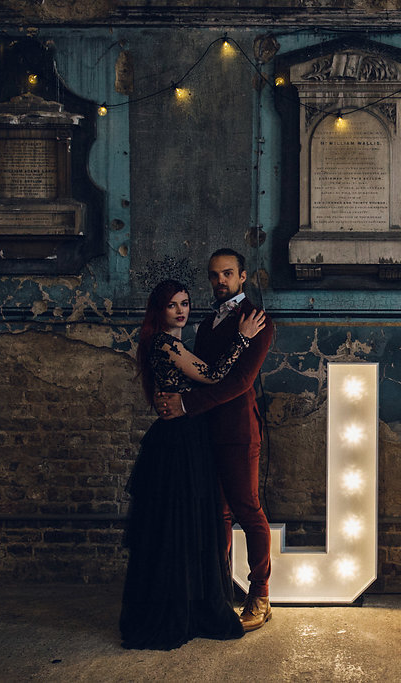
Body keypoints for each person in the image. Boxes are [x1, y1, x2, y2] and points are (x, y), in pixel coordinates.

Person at [120, 278, 267, 650]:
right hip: (179, 441)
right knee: (180, 524)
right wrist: (244, 338)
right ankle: (182, 608)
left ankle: (190, 601)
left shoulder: (173, 343)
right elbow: (215, 375)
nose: (182, 310)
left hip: (183, 438)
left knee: (181, 525)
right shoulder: (167, 344)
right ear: (159, 310)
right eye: (172, 305)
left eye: (185, 303)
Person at [155, 249, 275, 632]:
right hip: (204, 431)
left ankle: (260, 596)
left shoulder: (257, 320)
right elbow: (204, 374)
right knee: (218, 516)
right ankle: (218, 593)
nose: (219, 281)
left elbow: (239, 383)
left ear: (243, 277)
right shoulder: (207, 324)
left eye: (227, 274)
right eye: (213, 276)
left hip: (238, 431)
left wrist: (186, 404)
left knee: (248, 510)